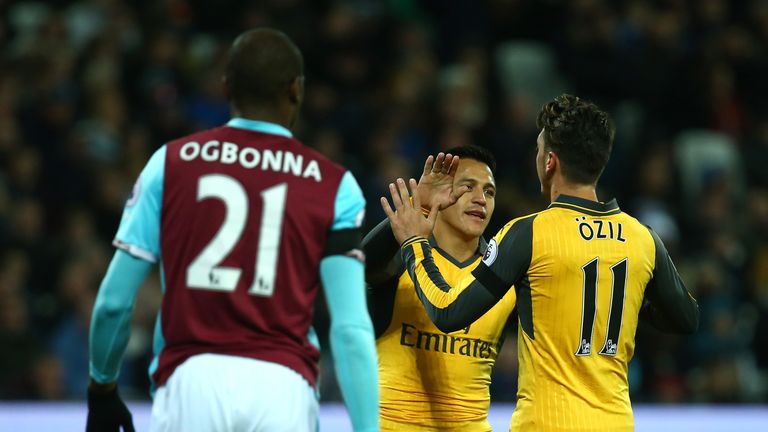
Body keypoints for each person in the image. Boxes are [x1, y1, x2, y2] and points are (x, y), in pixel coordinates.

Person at [86, 28, 379, 432]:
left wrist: (101, 387)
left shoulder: (170, 164)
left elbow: (114, 301)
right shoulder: (333, 185)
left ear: (225, 87)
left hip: (190, 380)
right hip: (284, 388)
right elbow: (350, 328)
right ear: (296, 89)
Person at [381, 94, 699, 432]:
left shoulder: (530, 233)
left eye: (538, 149)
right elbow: (686, 319)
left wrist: (414, 243)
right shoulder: (643, 239)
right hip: (617, 422)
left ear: (549, 161)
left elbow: (448, 312)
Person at [363, 146, 516, 431]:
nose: (480, 199)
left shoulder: (505, 276)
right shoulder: (402, 261)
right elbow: (362, 264)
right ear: (441, 194)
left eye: (489, 192)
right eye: (467, 187)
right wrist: (417, 205)